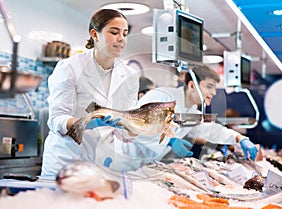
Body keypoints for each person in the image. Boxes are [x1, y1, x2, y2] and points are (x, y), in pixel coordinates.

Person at [41, 9, 139, 176]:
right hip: (67, 161)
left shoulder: (130, 76)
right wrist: (85, 122)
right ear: (95, 34)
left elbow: (126, 132)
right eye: (114, 32)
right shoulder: (70, 67)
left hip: (103, 163)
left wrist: (139, 128)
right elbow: (56, 119)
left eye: (125, 33)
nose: (121, 38)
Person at [137, 64, 258, 161]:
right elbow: (137, 127)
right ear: (191, 86)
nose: (214, 93)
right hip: (127, 161)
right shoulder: (162, 96)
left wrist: (239, 138)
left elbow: (211, 131)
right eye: (209, 86)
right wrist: (169, 141)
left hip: (147, 165)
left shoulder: (192, 110)